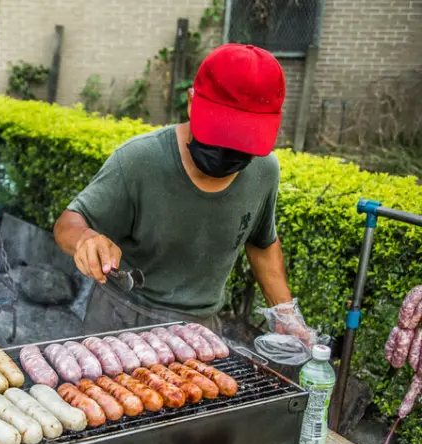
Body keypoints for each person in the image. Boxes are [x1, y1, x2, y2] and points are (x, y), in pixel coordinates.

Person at [54, 44, 309, 341]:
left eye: (242, 143)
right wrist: (86, 239)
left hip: (198, 331)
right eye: (219, 133)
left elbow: (262, 244)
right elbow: (67, 224)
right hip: (120, 317)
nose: (227, 151)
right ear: (191, 102)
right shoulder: (139, 159)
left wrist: (286, 315)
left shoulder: (264, 171)